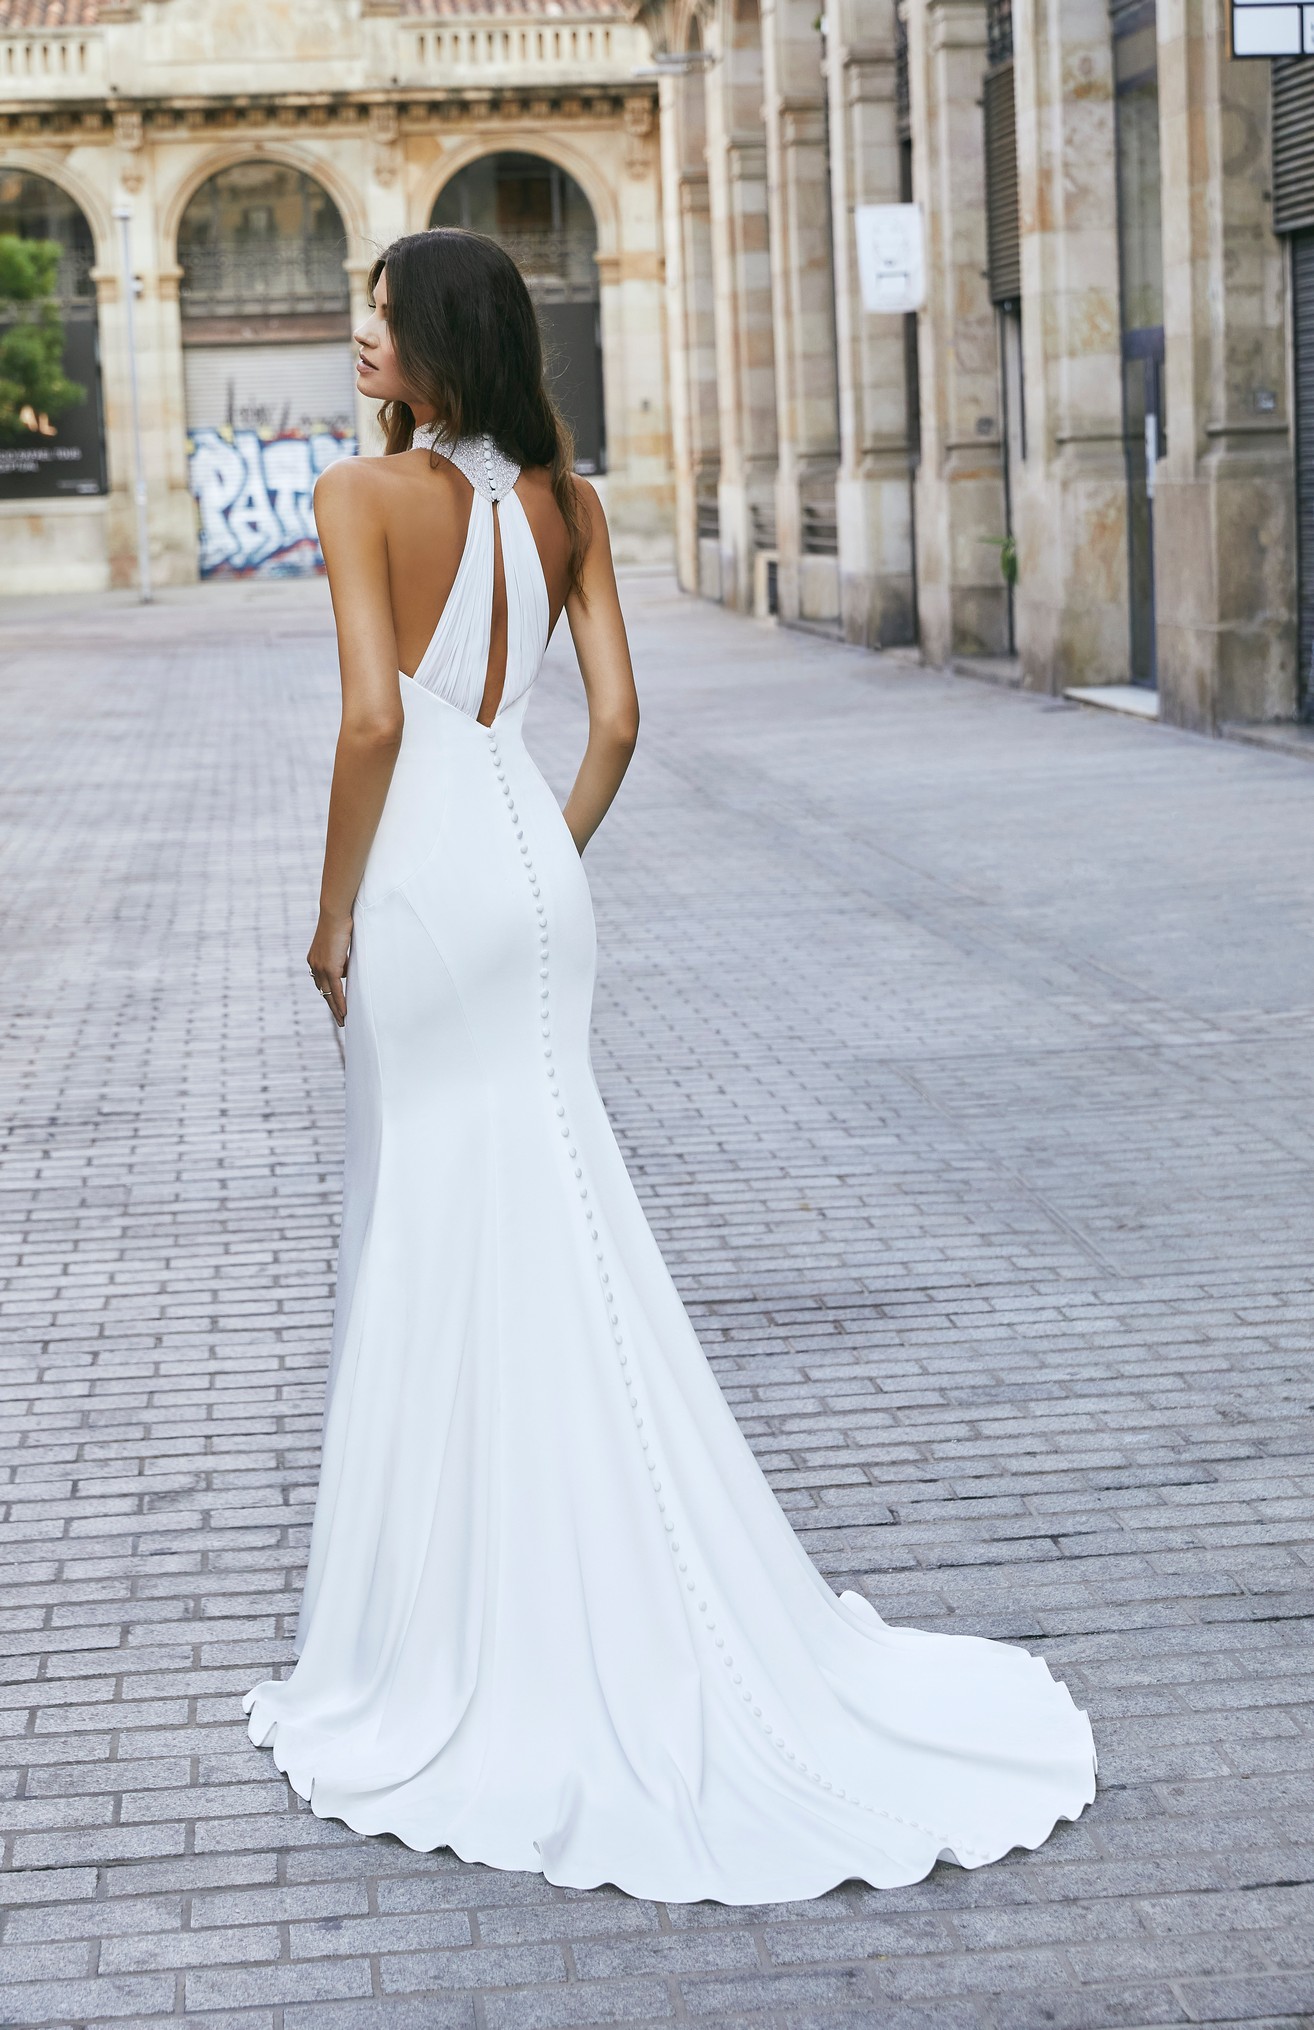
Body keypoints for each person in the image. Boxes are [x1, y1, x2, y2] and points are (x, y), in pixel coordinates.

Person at [243, 228, 1097, 1903]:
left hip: (423, 878)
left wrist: (333, 914)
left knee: (437, 1221)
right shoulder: (567, 501)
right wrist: (534, 859)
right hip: (533, 875)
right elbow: (616, 720)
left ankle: (452, 1624)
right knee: (559, 1211)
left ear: (441, 343)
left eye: (381, 314)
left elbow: (366, 723)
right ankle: (622, 1571)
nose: (360, 335)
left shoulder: (361, 501)